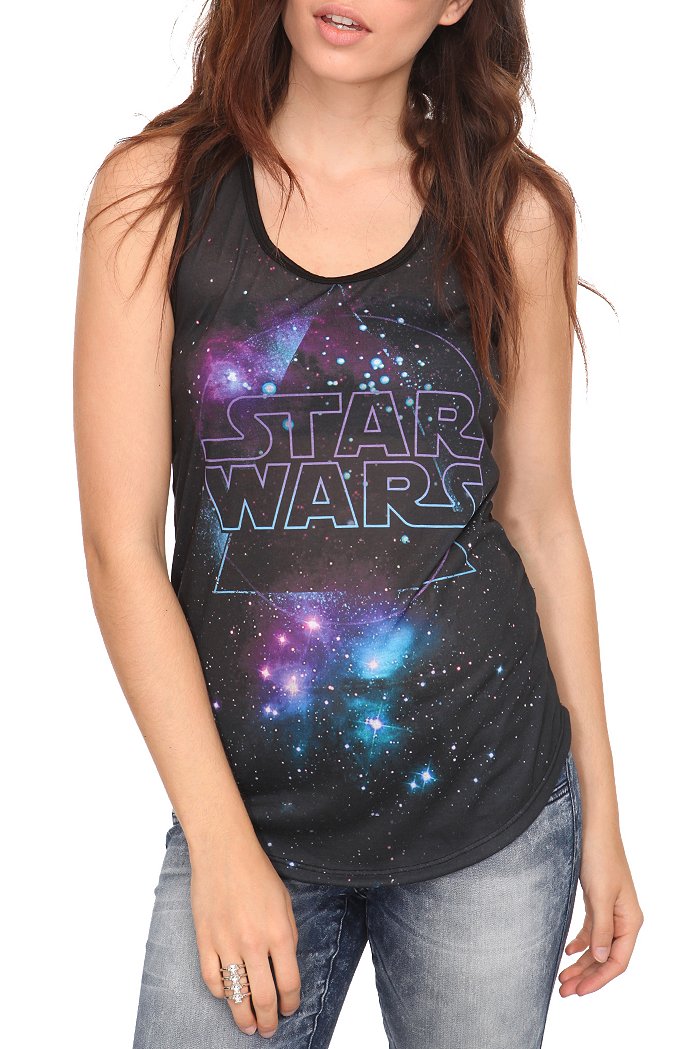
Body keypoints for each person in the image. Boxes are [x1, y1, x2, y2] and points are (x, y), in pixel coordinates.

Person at [73, 1, 644, 1046]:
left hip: (492, 817)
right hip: (248, 816)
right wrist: (220, 843)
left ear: (455, 4)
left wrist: (603, 816)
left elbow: (541, 520)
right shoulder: (156, 194)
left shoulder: (512, 212)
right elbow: (119, 549)